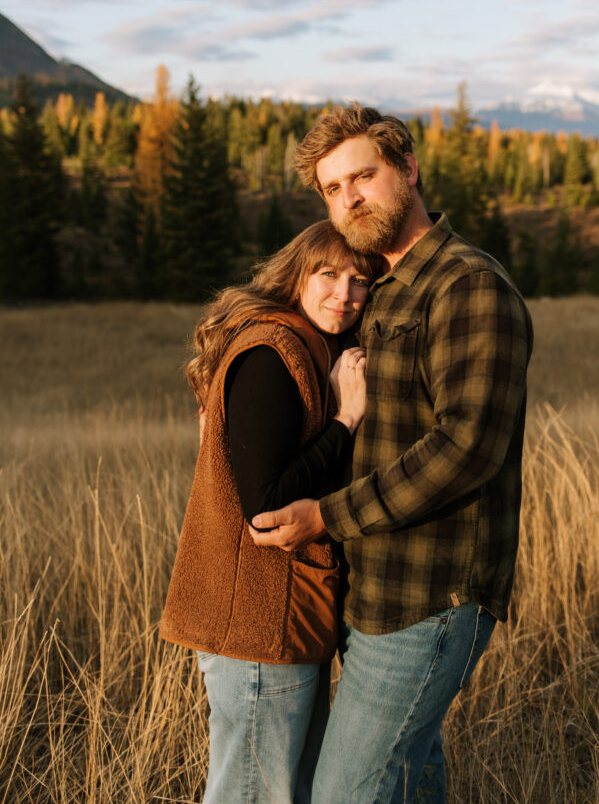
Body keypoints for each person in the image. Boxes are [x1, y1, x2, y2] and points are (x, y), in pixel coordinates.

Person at [250, 104, 534, 804]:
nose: (348, 198)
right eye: (331, 188)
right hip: (371, 588)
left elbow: (467, 446)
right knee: (408, 781)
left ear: (407, 170)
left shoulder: (466, 284)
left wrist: (325, 516)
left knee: (345, 792)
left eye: (362, 176)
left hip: (430, 594)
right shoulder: (376, 288)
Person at [160, 220, 384, 804]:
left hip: (282, 618)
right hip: (258, 624)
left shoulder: (306, 346)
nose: (345, 294)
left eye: (360, 280)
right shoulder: (271, 353)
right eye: (328, 274)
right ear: (296, 276)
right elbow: (266, 506)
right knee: (253, 795)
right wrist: (346, 419)